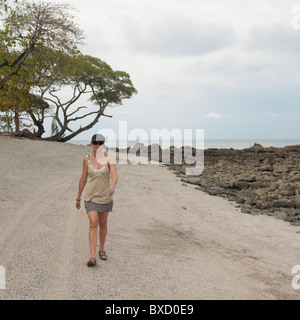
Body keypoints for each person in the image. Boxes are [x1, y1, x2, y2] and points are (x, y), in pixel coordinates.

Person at [76, 134, 118, 267]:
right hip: (91, 197)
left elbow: (114, 175)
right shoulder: (86, 159)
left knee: (103, 224)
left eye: (100, 143)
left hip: (105, 196)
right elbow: (83, 179)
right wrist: (78, 197)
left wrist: (113, 186)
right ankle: (92, 257)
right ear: (91, 144)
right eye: (95, 143)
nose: (98, 146)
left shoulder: (109, 158)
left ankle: (101, 249)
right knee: (93, 223)